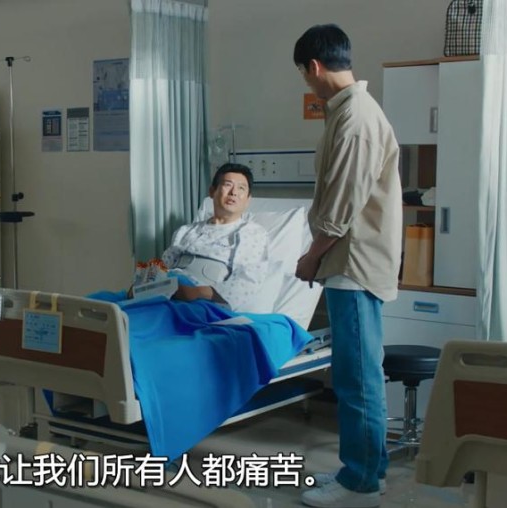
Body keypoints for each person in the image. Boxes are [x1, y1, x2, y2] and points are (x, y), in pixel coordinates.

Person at [292, 24, 402, 508]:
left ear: (315, 67)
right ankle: (369, 470)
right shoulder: (347, 112)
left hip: (351, 263)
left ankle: (359, 482)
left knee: (356, 376)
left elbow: (341, 208)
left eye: (304, 74)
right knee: (360, 372)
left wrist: (311, 256)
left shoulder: (355, 118)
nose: (306, 83)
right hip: (350, 261)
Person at [160, 163, 272, 312]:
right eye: (227, 185)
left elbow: (246, 281)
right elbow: (163, 266)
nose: (233, 192)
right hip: (168, 293)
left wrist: (196, 292)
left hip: (204, 303)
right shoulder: (185, 231)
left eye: (241, 188)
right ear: (212, 191)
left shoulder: (252, 234)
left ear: (247, 200)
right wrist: (145, 284)